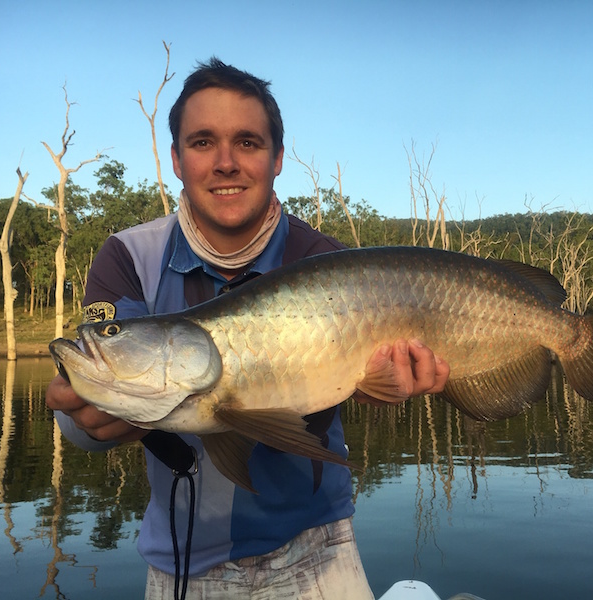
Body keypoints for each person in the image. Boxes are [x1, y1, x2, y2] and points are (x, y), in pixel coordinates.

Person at [45, 58, 449, 600]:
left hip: (319, 547)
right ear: (176, 158)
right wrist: (82, 422)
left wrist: (386, 382)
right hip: (181, 560)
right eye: (203, 142)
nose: (226, 162)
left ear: (277, 158)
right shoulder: (127, 256)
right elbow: (87, 415)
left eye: (249, 143)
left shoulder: (327, 261)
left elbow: (365, 381)